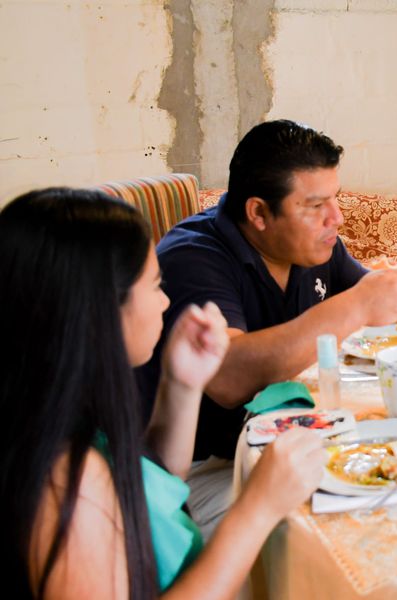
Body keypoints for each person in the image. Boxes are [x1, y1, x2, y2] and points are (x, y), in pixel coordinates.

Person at [0, 188, 327, 598]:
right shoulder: (68, 486)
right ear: (101, 310)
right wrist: (257, 508)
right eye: (155, 286)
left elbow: (152, 488)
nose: (165, 302)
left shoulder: (53, 410)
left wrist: (182, 383)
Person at [136, 120, 397, 539]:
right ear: (258, 213)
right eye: (315, 205)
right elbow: (228, 377)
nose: (337, 218)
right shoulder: (193, 258)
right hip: (198, 470)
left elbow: (373, 297)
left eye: (335, 198)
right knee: (352, 533)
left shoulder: (315, 243)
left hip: (283, 438)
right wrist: (359, 304)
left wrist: (395, 289)